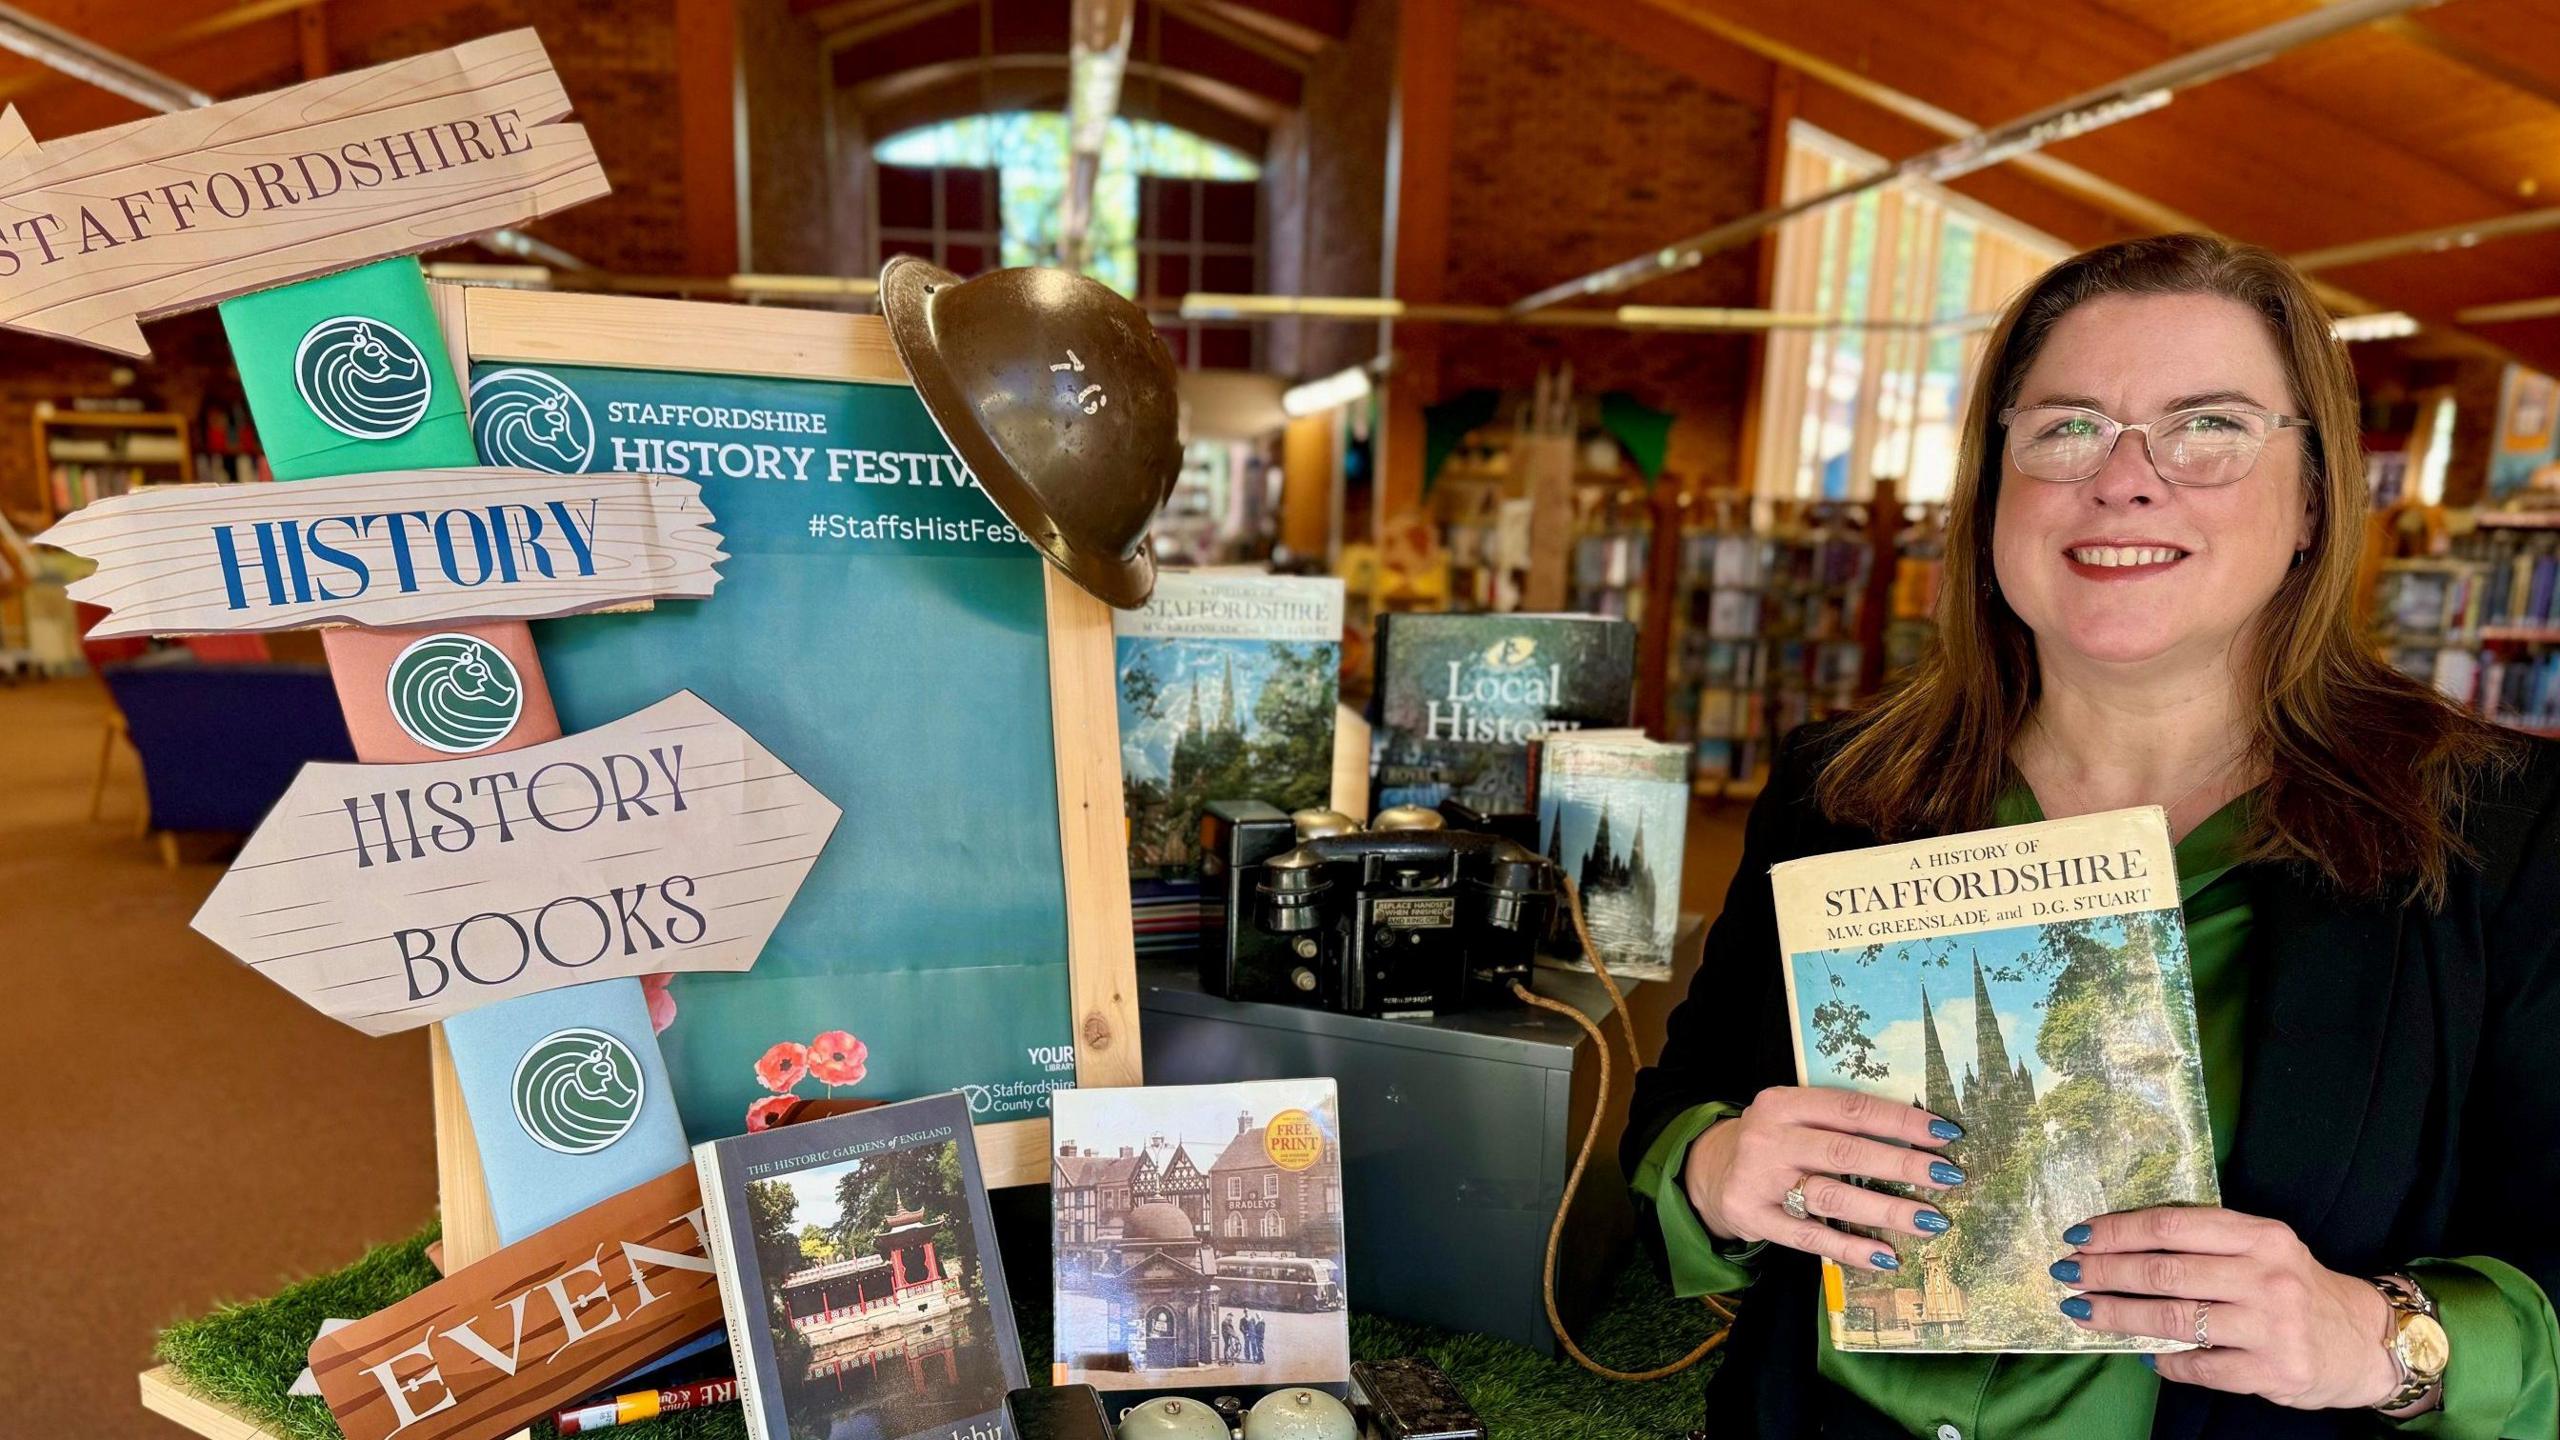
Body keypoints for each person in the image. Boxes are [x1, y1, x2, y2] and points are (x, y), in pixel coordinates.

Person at [1625, 233, 2560, 1439]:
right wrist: (1714, 1172)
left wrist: (2382, 1339)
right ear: (1994, 483)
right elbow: (1684, 1104)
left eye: (2207, 426)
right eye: (2066, 427)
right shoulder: (1840, 790)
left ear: (2315, 497)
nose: (2124, 480)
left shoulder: (2509, 837)